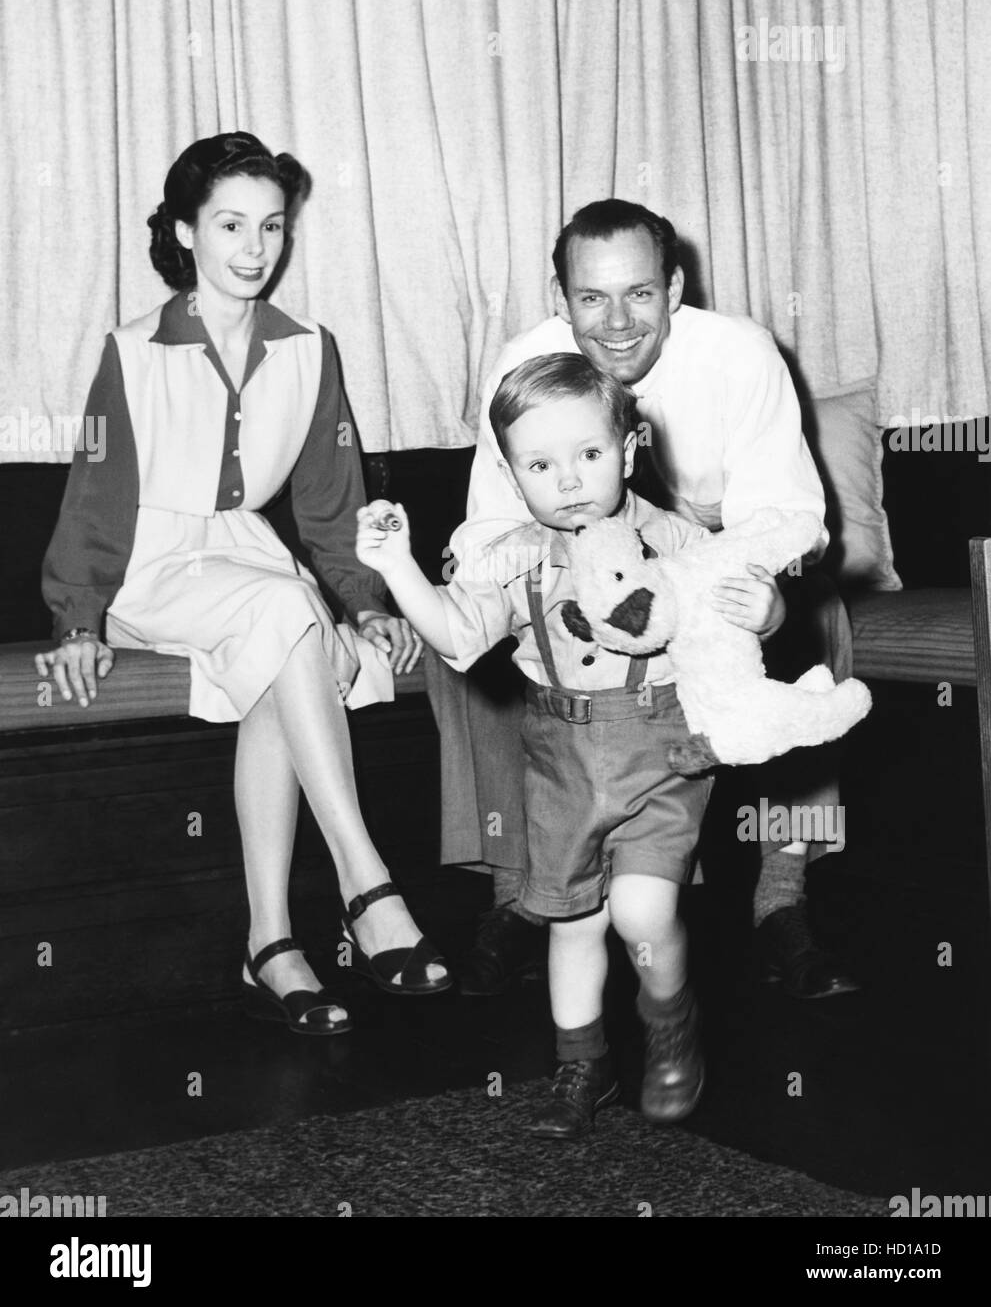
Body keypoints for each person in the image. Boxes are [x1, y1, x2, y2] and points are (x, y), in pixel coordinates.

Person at [36, 132, 450, 1034]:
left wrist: (369, 604)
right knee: (282, 612)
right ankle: (364, 878)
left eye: (271, 225)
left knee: (284, 632)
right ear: (186, 231)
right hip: (153, 567)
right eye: (230, 225)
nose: (254, 248)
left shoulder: (308, 348)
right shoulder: (133, 350)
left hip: (253, 560)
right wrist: (77, 618)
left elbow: (331, 503)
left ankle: (271, 946)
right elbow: (97, 494)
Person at [433, 198, 860, 1001]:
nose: (617, 321)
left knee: (815, 618)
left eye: (639, 293)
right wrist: (515, 579)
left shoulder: (739, 355)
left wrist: (713, 583)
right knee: (468, 636)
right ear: (560, 299)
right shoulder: (526, 363)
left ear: (673, 285)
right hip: (569, 561)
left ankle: (782, 895)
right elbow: (488, 525)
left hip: (711, 547)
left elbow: (789, 517)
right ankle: (521, 895)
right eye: (591, 298)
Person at [357, 354, 784, 1136]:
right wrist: (396, 568)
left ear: (628, 449)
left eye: (588, 455)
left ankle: (668, 1014)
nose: (568, 481)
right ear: (511, 475)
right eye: (540, 465)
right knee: (570, 921)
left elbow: (741, 625)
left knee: (639, 911)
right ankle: (580, 1065)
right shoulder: (513, 555)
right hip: (559, 754)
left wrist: (766, 610)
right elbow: (455, 637)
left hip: (661, 746)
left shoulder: (678, 541)